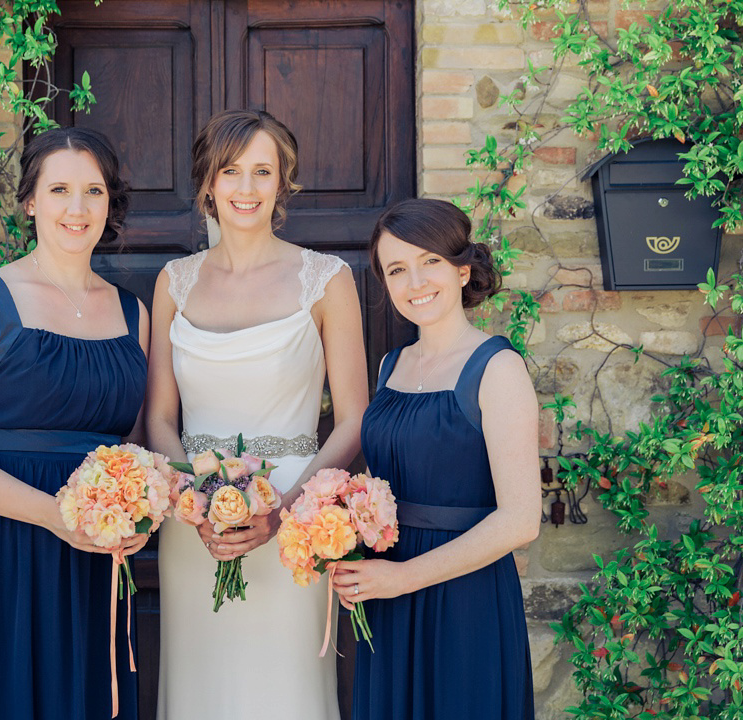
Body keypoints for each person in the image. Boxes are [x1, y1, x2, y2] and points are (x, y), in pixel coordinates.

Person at [0, 127, 148, 720]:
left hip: (96, 553)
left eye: (93, 190)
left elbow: (136, 445)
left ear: (109, 202)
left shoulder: (133, 313)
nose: (77, 208)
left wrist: (142, 514)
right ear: (30, 201)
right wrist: (53, 515)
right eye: (60, 189)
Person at [146, 109, 368, 720]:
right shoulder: (174, 282)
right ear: (207, 184)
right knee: (201, 689)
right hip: (196, 525)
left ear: (283, 182)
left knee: (284, 691)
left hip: (294, 521)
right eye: (230, 171)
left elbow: (352, 420)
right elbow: (160, 418)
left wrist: (282, 515)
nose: (246, 189)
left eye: (262, 171)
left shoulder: (326, 280)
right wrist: (194, 497)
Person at [332, 198, 540, 719]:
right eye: (397, 269)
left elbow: (521, 521)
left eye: (430, 262)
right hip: (387, 594)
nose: (415, 282)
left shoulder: (498, 367)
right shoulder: (390, 365)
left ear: (462, 269)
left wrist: (403, 578)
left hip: (465, 597)